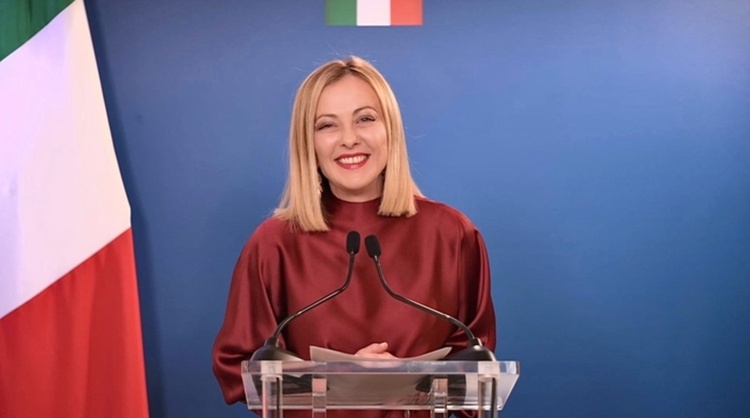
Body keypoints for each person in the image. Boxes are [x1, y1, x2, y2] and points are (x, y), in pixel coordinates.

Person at [212, 56, 496, 417]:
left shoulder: (452, 233)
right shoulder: (275, 243)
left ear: (390, 129)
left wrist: (409, 383)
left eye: (365, 119)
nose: (349, 139)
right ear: (308, 143)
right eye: (327, 125)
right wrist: (338, 382)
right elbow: (240, 371)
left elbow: (476, 370)